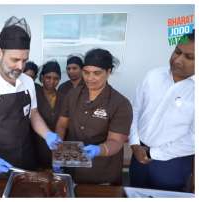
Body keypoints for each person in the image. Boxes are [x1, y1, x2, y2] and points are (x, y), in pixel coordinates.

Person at [0, 16, 62, 178]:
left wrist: (47, 134)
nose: (20, 67)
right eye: (14, 60)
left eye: (25, 60)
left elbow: (33, 114)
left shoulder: (28, 82)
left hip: (26, 158)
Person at [129, 31, 195, 192]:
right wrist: (134, 143)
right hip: (138, 155)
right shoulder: (153, 75)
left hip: (172, 164)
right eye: (177, 51)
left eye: (189, 57)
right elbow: (135, 110)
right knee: (134, 193)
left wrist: (152, 153)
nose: (178, 60)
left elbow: (194, 139)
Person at [56, 48, 132, 185]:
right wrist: (57, 150)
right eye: (86, 72)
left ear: (109, 72)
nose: (90, 78)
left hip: (101, 172)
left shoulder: (120, 103)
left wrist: (99, 149)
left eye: (97, 73)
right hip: (72, 167)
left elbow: (116, 141)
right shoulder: (73, 95)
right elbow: (62, 124)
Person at [34, 60, 63, 169]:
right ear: (42, 78)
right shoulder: (35, 94)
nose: (52, 81)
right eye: (48, 77)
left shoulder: (63, 97)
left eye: (56, 78)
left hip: (57, 143)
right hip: (37, 143)